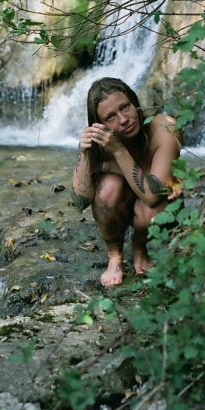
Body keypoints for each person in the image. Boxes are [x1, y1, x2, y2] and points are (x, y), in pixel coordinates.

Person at [71, 77, 181, 287]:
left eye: (126, 107)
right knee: (107, 188)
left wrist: (118, 151)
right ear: (99, 124)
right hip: (123, 197)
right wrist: (84, 153)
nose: (123, 119)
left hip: (159, 199)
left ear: (135, 101)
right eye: (110, 116)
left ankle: (139, 246)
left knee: (149, 209)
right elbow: (79, 202)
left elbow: (151, 197)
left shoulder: (164, 129)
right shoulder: (100, 140)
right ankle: (115, 256)